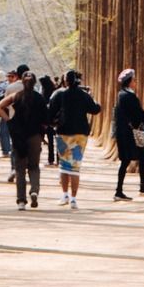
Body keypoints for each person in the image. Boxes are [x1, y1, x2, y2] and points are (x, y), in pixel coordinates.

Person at [47, 66, 99, 204]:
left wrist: (52, 123)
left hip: (63, 132)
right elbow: (95, 109)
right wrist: (93, 98)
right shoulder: (84, 95)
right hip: (80, 134)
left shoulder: (58, 94)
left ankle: (64, 195)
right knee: (75, 165)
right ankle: (74, 199)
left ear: (65, 80)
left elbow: (50, 112)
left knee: (64, 165)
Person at [2, 65, 48, 209]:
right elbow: (46, 119)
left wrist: (9, 120)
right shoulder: (40, 98)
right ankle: (34, 191)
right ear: (35, 83)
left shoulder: (16, 96)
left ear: (22, 81)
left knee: (20, 169)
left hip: (19, 137)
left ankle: (21, 201)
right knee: (34, 167)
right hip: (34, 137)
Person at [111, 70, 144, 199]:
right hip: (128, 133)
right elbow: (139, 112)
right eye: (134, 80)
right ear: (129, 81)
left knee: (142, 156)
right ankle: (118, 191)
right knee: (126, 160)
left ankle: (142, 185)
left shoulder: (122, 95)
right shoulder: (128, 96)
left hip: (128, 132)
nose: (136, 82)